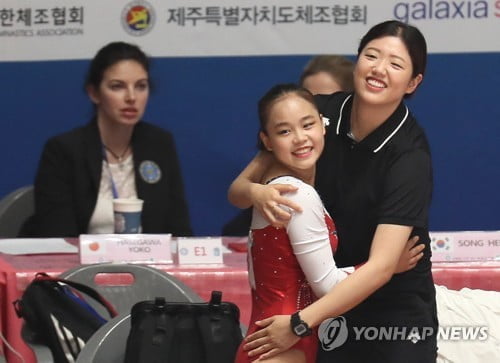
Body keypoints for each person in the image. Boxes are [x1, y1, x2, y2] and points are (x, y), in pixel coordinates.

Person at [228, 20, 437, 362]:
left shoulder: (409, 156)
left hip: (390, 316)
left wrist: (298, 324)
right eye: (372, 55)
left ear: (413, 82)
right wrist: (256, 193)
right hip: (326, 306)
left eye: (395, 64)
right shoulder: (318, 114)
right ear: (357, 60)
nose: (379, 69)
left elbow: (382, 267)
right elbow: (239, 189)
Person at [30, 41, 192, 237]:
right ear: (94, 93)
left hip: (146, 266)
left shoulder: (159, 144)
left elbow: (179, 231)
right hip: (82, 266)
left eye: (141, 86)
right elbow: (57, 236)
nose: (131, 97)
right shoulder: (64, 150)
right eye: (117, 87)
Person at [222, 55, 354, 237]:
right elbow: (237, 190)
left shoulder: (352, 144)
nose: (317, 104)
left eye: (326, 98)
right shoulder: (281, 147)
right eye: (309, 96)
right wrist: (257, 192)